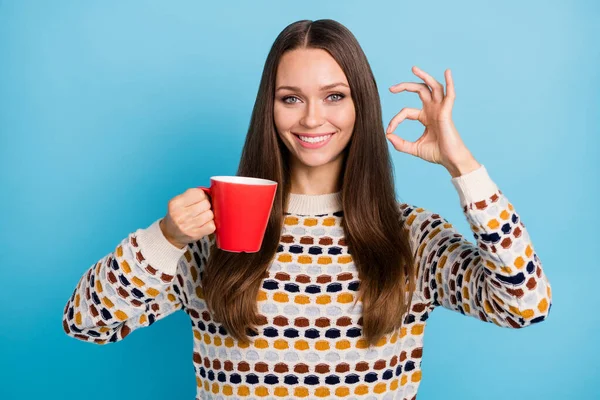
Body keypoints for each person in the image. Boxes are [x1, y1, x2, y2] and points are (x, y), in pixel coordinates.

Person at [62, 19, 552, 400]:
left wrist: (460, 163)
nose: (312, 118)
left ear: (361, 105)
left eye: (334, 97)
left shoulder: (410, 235)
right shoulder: (213, 229)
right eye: (291, 98)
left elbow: (525, 304)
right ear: (269, 110)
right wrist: (165, 238)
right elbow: (86, 322)